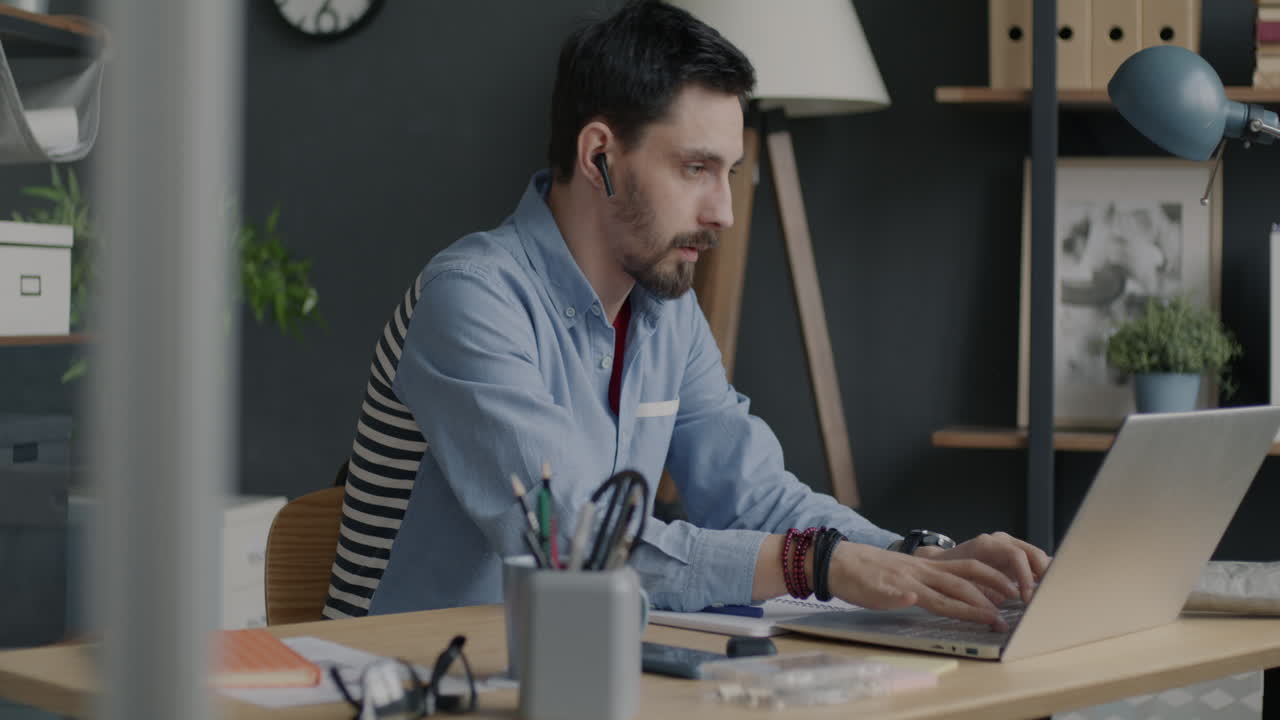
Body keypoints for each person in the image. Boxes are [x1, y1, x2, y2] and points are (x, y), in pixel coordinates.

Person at [323, 0, 1049, 627]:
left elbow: (750, 491)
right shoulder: (471, 297)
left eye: (728, 174)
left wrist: (914, 558)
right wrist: (816, 565)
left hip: (575, 670)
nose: (725, 212)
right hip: (404, 681)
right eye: (695, 168)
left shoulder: (662, 307)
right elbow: (578, 546)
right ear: (600, 155)